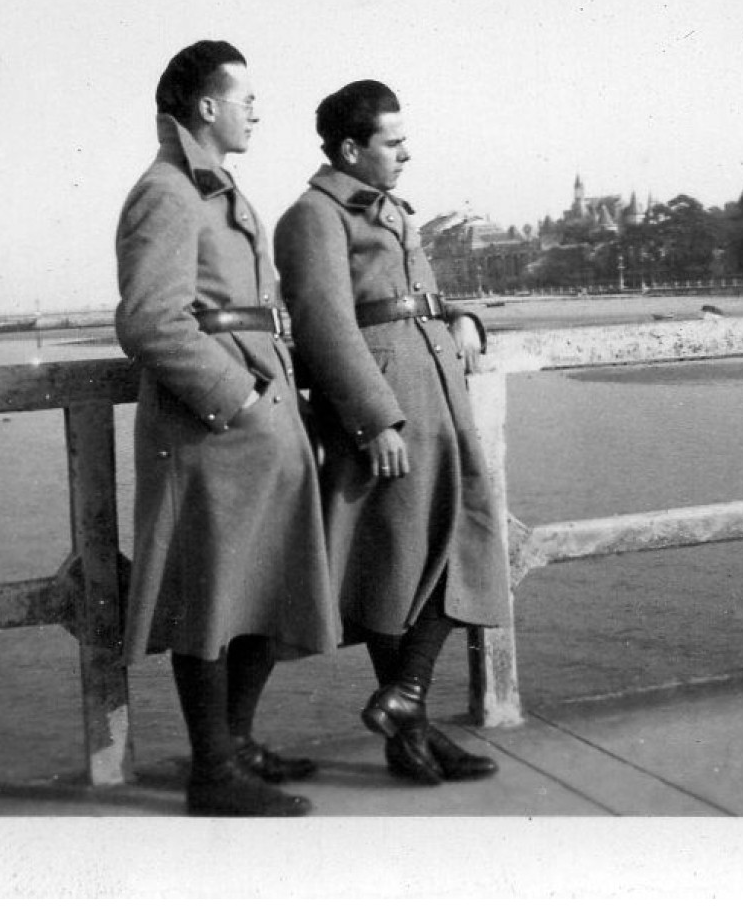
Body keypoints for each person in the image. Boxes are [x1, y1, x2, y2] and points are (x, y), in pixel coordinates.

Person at [114, 40, 340, 816]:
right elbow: (149, 320)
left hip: (255, 422)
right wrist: (237, 398)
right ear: (205, 107)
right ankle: (213, 770)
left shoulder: (214, 189)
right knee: (208, 600)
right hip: (211, 431)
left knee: (258, 588)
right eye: (244, 97)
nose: (256, 109)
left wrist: (275, 400)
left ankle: (235, 745)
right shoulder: (168, 192)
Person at [273, 79, 510, 786]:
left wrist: (464, 314)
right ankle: (408, 714)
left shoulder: (391, 210)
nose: (406, 152)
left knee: (454, 545)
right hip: (391, 411)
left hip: (437, 396)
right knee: (398, 563)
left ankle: (406, 711)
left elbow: (409, 297)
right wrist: (375, 418)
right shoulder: (314, 216)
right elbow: (324, 324)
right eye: (392, 141)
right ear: (351, 148)